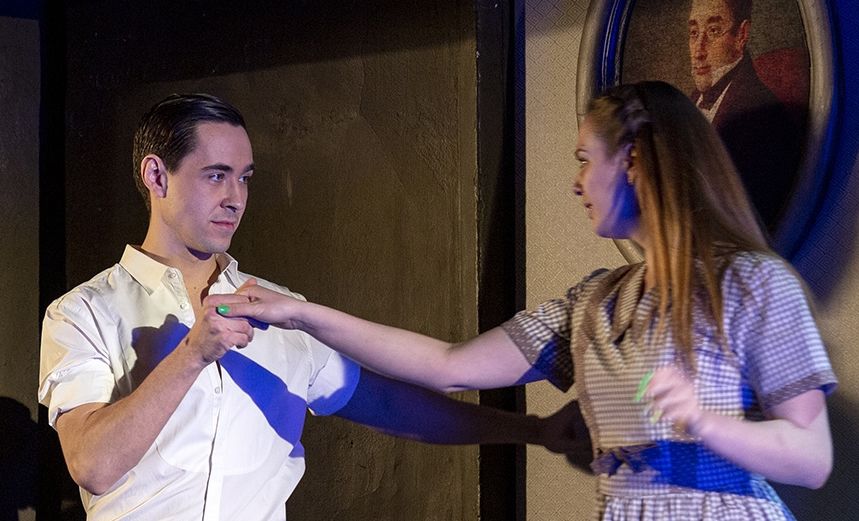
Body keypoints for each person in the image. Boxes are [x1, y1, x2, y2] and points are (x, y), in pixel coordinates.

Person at [222, 81, 837, 520]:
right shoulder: (595, 302)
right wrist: (301, 313)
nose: (576, 182)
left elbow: (812, 459)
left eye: (584, 160)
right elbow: (449, 365)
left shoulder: (754, 284)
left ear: (633, 161)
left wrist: (705, 421)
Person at [38, 93, 582, 520]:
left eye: (245, 178)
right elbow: (93, 464)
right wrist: (191, 355)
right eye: (216, 175)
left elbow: (391, 406)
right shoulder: (83, 312)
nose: (235, 198)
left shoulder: (278, 310)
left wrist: (532, 431)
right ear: (156, 175)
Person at [687, 0, 803, 234]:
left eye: (713, 31)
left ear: (741, 35)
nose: (698, 51)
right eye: (693, 33)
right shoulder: (690, 102)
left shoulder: (765, 121)